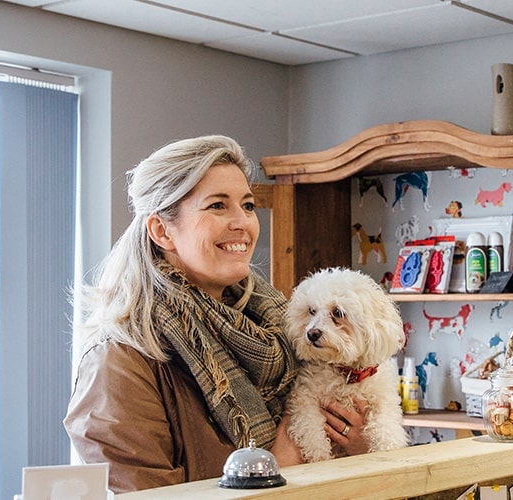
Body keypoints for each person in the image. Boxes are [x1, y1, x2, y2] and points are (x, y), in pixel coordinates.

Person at [64, 135, 373, 492]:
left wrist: (361, 449)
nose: (243, 222)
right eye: (217, 206)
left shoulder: (283, 329)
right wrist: (284, 455)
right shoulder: (119, 363)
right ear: (162, 230)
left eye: (247, 205)